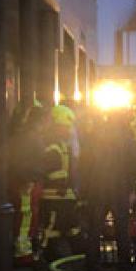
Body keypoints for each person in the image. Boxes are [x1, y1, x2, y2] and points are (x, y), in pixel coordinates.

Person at [80, 109, 136, 271]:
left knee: (95, 227)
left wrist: (86, 189)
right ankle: (125, 267)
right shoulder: (127, 139)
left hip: (97, 187)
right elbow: (133, 166)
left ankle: (92, 266)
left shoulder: (95, 137)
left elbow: (84, 164)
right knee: (122, 228)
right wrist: (132, 189)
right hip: (119, 188)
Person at [38, 105, 81, 261]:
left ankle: (74, 259)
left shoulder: (62, 144)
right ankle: (44, 258)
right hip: (54, 199)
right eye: (66, 127)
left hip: (65, 198)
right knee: (52, 231)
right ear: (57, 126)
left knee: (71, 229)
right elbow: (45, 171)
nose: (69, 131)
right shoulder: (51, 146)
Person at [9, 100, 45, 266]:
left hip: (27, 181)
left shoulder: (24, 135)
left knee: (27, 216)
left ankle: (24, 251)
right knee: (26, 217)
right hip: (27, 183)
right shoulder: (31, 138)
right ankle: (22, 254)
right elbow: (25, 161)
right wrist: (28, 179)